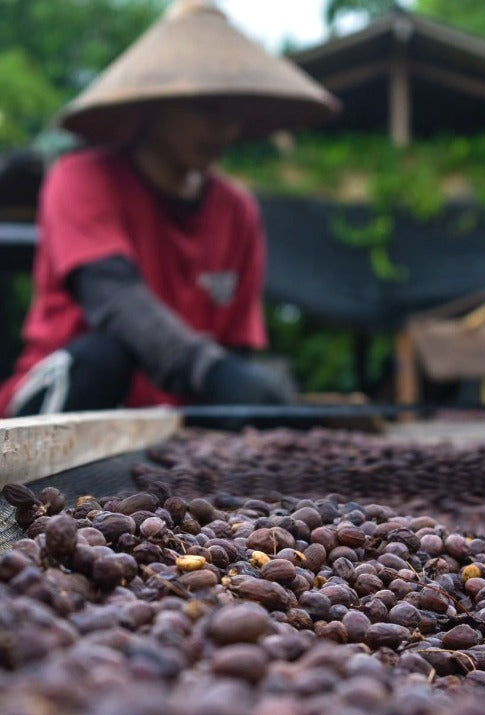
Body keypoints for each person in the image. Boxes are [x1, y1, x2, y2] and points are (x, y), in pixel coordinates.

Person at [0, 0, 338, 417]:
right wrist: (213, 372)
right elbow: (113, 297)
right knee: (104, 358)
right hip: (61, 409)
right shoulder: (82, 178)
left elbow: (234, 347)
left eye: (234, 112)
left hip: (167, 430)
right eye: (205, 108)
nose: (223, 128)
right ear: (155, 105)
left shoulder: (237, 211)